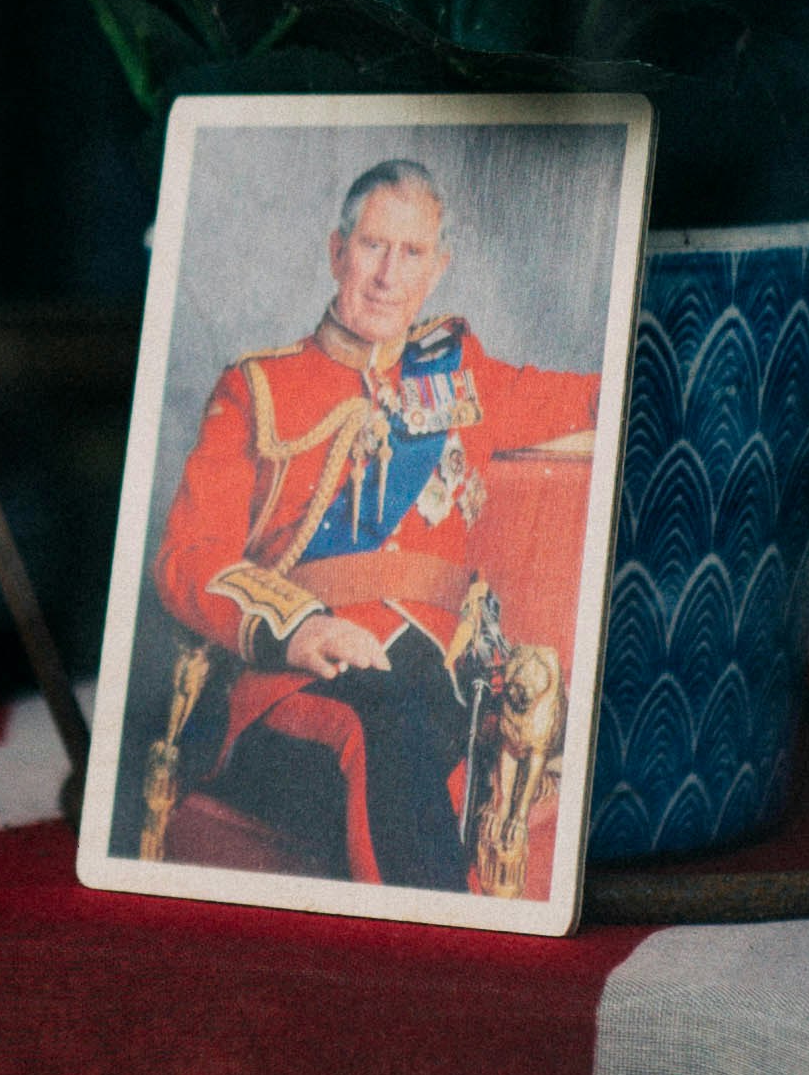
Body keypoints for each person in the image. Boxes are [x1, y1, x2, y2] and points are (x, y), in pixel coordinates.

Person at [142, 159, 603, 893]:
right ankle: (440, 955)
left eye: (412, 253)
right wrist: (299, 629)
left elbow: (602, 398)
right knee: (385, 717)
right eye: (372, 247)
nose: (389, 274)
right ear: (337, 252)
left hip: (440, 685)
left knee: (439, 710)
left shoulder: (459, 376)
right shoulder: (257, 388)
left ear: (437, 268)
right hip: (292, 693)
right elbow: (186, 557)